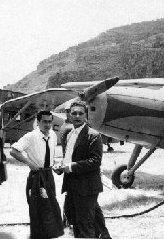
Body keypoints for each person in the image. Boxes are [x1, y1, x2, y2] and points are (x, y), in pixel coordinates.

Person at [57, 101, 111, 238]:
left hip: (86, 187)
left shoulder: (93, 135)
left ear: (86, 115)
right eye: (74, 113)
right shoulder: (68, 134)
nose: (77, 116)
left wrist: (70, 167)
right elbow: (69, 157)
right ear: (69, 115)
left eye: (80, 113)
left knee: (84, 224)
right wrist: (61, 165)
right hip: (72, 186)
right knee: (92, 221)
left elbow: (95, 161)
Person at [10, 110, 64, 238]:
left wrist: (55, 164)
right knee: (38, 207)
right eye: (44, 121)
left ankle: (51, 235)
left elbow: (50, 156)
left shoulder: (53, 136)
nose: (47, 124)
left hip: (48, 175)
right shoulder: (31, 136)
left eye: (50, 122)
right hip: (37, 176)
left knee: (51, 206)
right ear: (38, 122)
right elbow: (13, 151)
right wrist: (29, 163)